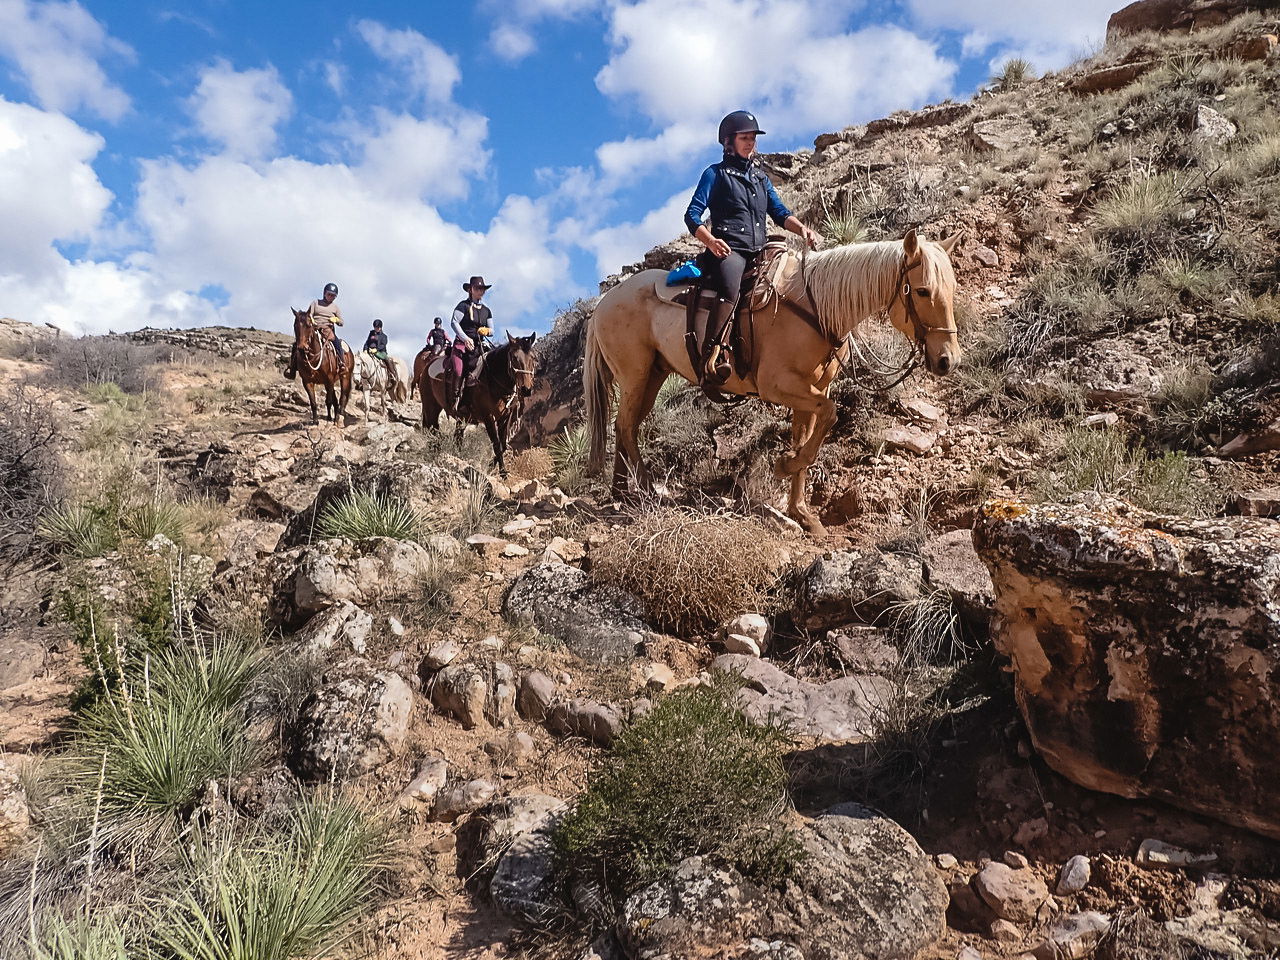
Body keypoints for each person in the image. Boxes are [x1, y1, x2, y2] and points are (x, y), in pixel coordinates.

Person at [684, 110, 821, 383]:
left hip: (761, 248)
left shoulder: (761, 178)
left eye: (752, 138)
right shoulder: (715, 174)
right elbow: (692, 215)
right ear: (728, 142)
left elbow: (780, 213)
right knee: (731, 289)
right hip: (729, 251)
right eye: (744, 138)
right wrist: (710, 241)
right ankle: (713, 355)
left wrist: (802, 228)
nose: (750, 143)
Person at [446, 276, 494, 415]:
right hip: (462, 344)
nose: (481, 291)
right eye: (478, 288)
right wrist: (465, 338)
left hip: (479, 345)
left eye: (482, 289)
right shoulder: (463, 306)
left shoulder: (487, 310)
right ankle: (455, 401)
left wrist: (487, 331)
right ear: (470, 290)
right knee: (459, 371)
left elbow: (492, 330)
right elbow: (454, 322)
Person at [286, 282, 346, 379]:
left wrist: (336, 320)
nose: (331, 297)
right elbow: (309, 314)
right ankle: (292, 368)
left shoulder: (335, 307)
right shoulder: (315, 303)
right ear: (324, 293)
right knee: (297, 344)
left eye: (333, 296)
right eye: (329, 294)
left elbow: (342, 322)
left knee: (337, 343)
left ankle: (341, 363)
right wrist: (311, 320)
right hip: (314, 328)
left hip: (327, 330)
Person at [363, 318, 401, 392]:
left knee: (387, 359)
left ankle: (392, 374)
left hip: (380, 352)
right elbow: (367, 342)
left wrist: (376, 350)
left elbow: (383, 345)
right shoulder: (371, 333)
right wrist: (365, 349)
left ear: (380, 327)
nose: (376, 329)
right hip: (370, 351)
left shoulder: (384, 336)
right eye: (375, 327)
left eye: (377, 327)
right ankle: (362, 381)